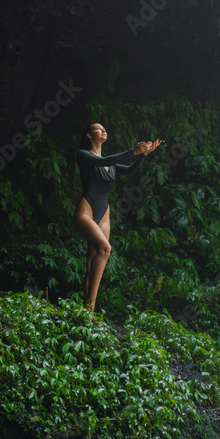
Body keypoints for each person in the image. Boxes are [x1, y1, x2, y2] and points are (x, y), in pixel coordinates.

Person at [74, 122, 161, 312]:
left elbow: (130, 170)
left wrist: (143, 155)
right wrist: (133, 151)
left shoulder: (110, 165)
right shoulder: (83, 155)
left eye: (105, 128)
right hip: (86, 211)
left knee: (92, 261)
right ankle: (89, 311)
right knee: (105, 249)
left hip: (104, 214)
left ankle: (85, 311)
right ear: (89, 135)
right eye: (98, 128)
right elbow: (103, 162)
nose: (104, 130)